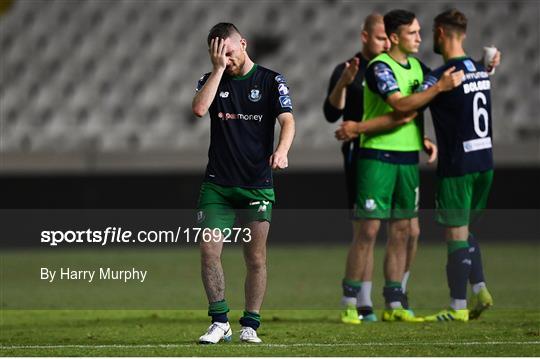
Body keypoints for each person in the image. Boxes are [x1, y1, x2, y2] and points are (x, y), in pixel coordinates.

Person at [340, 9, 467, 322]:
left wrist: (482, 70)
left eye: (421, 32)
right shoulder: (379, 68)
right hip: (377, 156)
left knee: (406, 231)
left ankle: (395, 302)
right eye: (413, 33)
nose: (420, 38)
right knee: (368, 230)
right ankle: (350, 302)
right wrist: (433, 91)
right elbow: (400, 104)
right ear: (394, 37)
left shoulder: (419, 68)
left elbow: (428, 96)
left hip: (408, 157)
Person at [192, 23, 295, 343]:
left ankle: (250, 324)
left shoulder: (270, 80)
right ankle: (219, 321)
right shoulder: (211, 78)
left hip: (256, 184)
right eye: (219, 54)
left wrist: (282, 150)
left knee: (255, 258)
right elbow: (198, 109)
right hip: (218, 184)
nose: (226, 59)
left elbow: (288, 120)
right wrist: (218, 70)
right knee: (209, 250)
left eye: (230, 52)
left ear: (244, 44)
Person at [323, 13, 421, 324]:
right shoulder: (351, 68)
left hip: (401, 152)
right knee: (367, 228)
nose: (385, 43)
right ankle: (362, 301)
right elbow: (330, 112)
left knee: (411, 229)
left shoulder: (398, 67)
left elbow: (412, 107)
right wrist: (343, 83)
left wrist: (425, 136)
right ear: (365, 37)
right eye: (379, 38)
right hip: (364, 152)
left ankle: (397, 296)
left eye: (387, 38)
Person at [421, 9, 497, 322]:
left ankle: (456, 307)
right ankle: (480, 289)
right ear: (462, 33)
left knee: (455, 235)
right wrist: (489, 62)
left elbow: (408, 102)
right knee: (464, 230)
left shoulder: (443, 76)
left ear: (440, 32)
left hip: (457, 165)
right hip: (485, 162)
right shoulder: (479, 69)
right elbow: (485, 67)